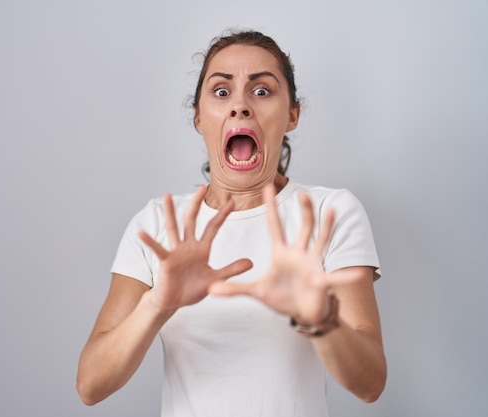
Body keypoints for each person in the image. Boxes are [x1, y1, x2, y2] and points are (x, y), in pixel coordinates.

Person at [76, 29, 386, 416]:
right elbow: (90, 385)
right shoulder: (160, 224)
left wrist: (319, 315)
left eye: (261, 91)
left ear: (292, 114)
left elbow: (371, 383)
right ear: (199, 117)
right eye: (221, 92)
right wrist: (157, 304)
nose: (240, 106)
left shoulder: (327, 213)